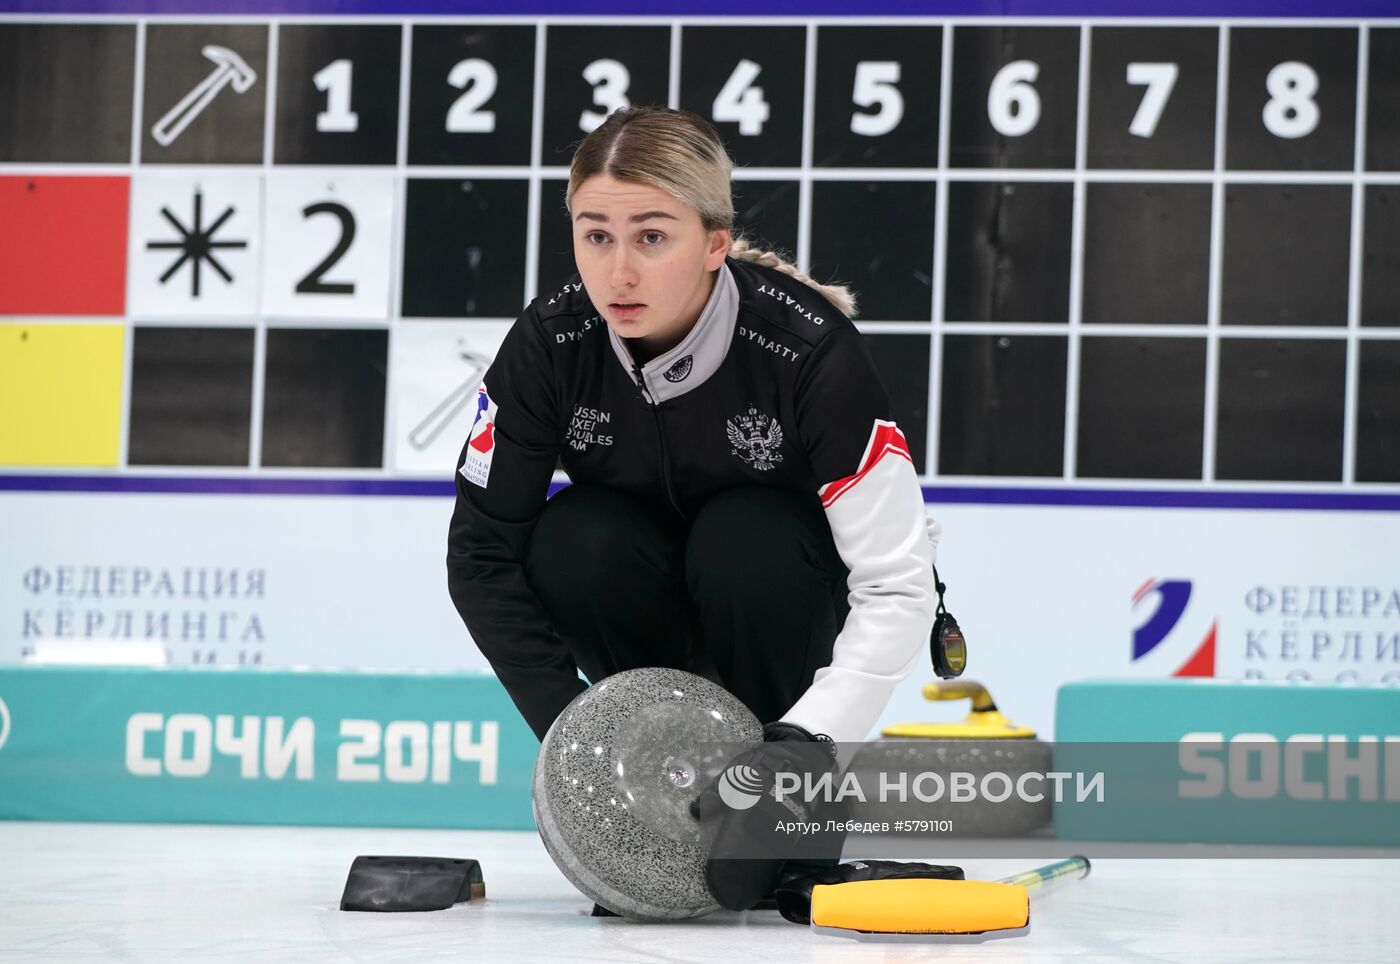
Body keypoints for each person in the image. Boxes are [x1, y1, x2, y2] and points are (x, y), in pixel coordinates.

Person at [445, 106, 940, 907]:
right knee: (578, 538)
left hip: (771, 600)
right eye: (595, 235)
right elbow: (480, 557)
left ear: (714, 243)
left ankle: (785, 823)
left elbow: (896, 585)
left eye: (651, 236)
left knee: (748, 536)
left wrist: (803, 749)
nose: (618, 273)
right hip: (641, 617)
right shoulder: (550, 344)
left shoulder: (812, 352)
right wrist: (585, 742)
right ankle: (659, 793)